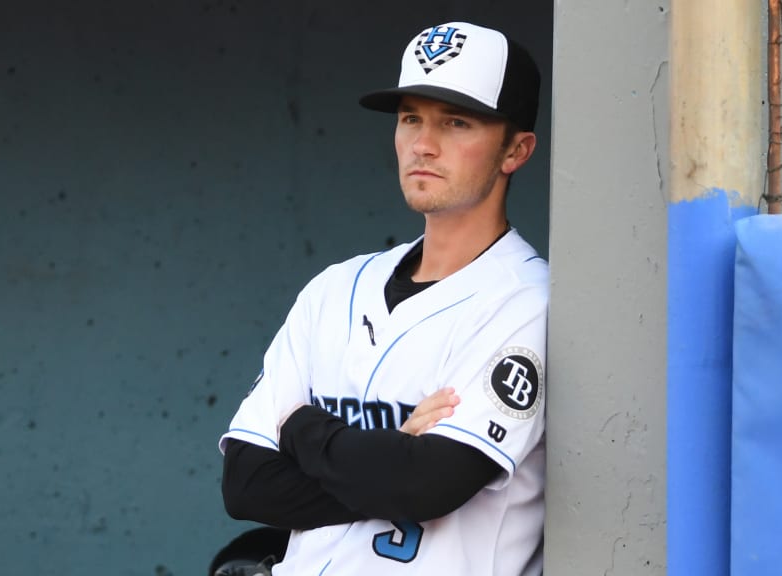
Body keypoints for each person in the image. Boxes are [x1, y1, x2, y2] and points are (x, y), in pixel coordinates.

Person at [218, 21, 547, 576]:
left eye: (456, 122)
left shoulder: (528, 303)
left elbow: (429, 483)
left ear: (515, 150)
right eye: (411, 118)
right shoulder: (334, 288)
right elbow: (247, 486)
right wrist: (390, 451)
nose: (423, 143)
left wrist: (304, 431)